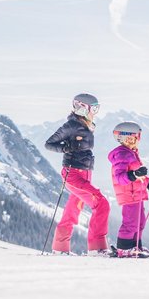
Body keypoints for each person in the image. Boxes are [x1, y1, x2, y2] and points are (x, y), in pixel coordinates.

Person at [45, 93, 110, 256]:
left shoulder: (87, 125)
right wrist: (66, 148)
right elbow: (49, 144)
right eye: (93, 108)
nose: (95, 112)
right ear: (82, 108)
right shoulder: (71, 125)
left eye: (96, 108)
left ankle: (60, 248)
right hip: (73, 173)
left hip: (85, 173)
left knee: (72, 210)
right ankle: (97, 248)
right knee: (101, 203)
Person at [108, 121, 149, 258]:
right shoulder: (121, 155)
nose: (134, 141)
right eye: (131, 138)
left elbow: (141, 177)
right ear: (122, 138)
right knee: (130, 223)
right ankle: (124, 248)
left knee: (140, 222)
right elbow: (120, 178)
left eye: (136, 138)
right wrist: (134, 174)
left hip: (137, 194)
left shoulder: (131, 153)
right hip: (129, 195)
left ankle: (136, 246)